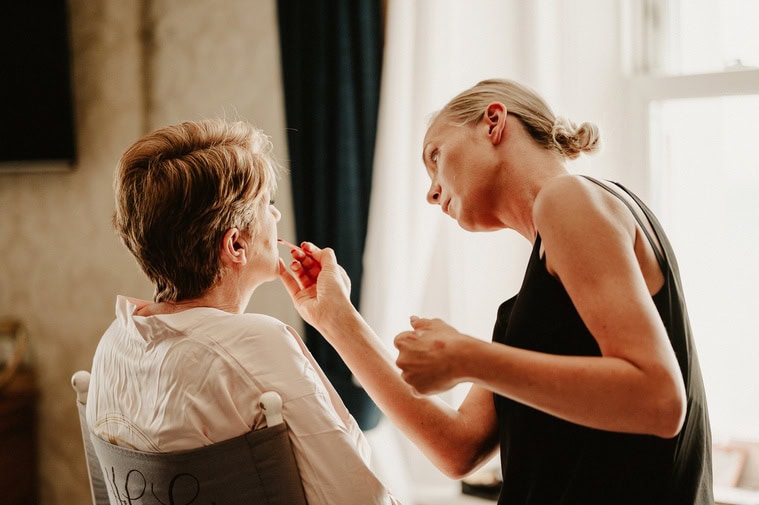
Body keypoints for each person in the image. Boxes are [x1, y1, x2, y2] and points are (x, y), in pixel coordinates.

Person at [279, 79, 713, 505]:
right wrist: (335, 319)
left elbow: (659, 400)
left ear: (493, 122)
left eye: (436, 155)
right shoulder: (530, 305)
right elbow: (457, 447)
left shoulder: (569, 198)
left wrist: (467, 358)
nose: (431, 193)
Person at [86, 118, 400, 505]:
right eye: (268, 203)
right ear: (235, 245)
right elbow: (361, 499)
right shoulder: (257, 345)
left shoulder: (111, 347)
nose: (276, 216)